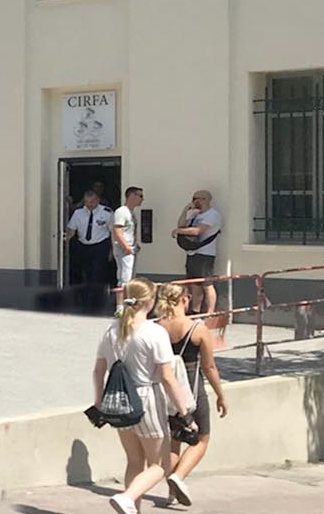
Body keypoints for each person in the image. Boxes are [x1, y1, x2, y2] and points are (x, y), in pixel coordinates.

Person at [92, 278, 198, 514]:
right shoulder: (154, 332)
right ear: (149, 301)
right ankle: (127, 498)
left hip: (118, 401)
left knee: (134, 461)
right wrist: (185, 414)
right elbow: (168, 378)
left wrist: (99, 404)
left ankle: (131, 507)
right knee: (160, 464)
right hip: (147, 398)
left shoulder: (111, 330)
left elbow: (98, 371)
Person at [153, 282, 228, 506]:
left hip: (166, 393)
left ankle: (171, 493)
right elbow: (209, 367)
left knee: (174, 441)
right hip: (192, 392)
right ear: (185, 300)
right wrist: (220, 394)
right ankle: (178, 477)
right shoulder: (197, 329)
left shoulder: (157, 328)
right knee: (201, 439)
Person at [172, 190, 223, 315]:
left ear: (206, 200)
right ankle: (195, 311)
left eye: (197, 198)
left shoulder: (213, 215)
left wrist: (178, 231)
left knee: (206, 284)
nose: (194, 201)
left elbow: (198, 231)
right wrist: (185, 211)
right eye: (193, 198)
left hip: (205, 254)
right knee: (195, 284)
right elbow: (182, 225)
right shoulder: (195, 215)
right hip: (192, 253)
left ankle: (210, 312)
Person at [66, 189, 114, 292]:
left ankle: (97, 295)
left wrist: (112, 250)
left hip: (100, 246)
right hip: (83, 246)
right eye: (86, 202)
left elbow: (113, 233)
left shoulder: (107, 212)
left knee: (97, 273)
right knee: (83, 272)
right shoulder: (78, 213)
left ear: (97, 200)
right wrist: (64, 241)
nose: (89, 205)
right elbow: (71, 230)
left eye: (91, 202)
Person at [111, 187, 142, 286]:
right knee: (125, 277)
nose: (142, 199)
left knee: (131, 277)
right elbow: (117, 231)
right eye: (140, 196)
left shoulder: (131, 212)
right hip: (123, 249)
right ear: (132, 196)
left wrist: (135, 244)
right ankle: (122, 296)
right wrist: (126, 247)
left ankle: (128, 295)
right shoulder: (121, 211)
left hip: (131, 248)